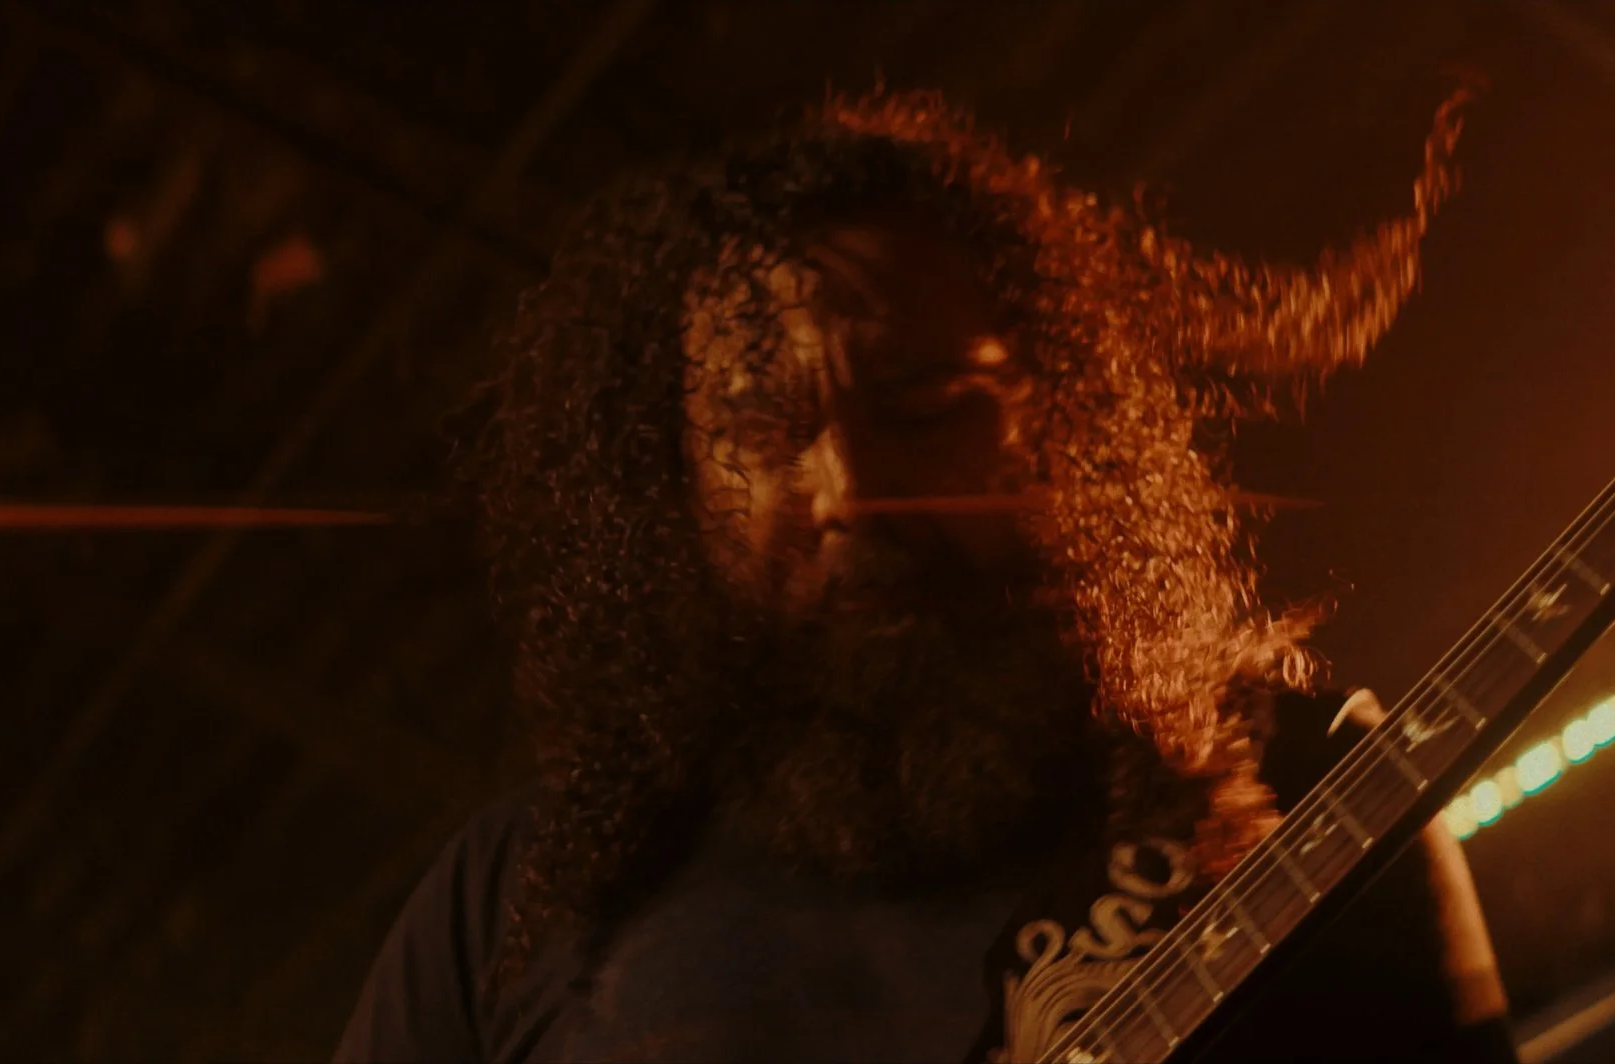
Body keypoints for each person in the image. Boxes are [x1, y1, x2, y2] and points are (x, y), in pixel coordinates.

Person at [335, 87, 1511, 1062]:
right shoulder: (510, 902)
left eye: (924, 406)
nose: (849, 491)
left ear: (1054, 423)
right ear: (674, 489)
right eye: (760, 431)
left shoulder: (1303, 783)